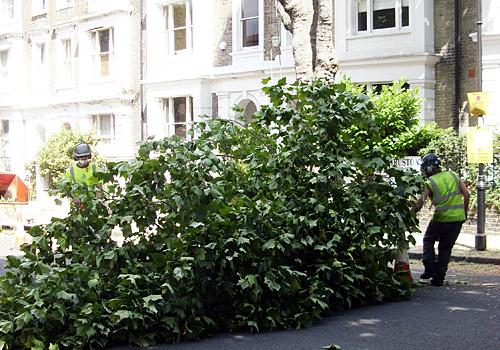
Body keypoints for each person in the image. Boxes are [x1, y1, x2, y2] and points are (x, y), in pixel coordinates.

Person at [413, 153, 470, 286]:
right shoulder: (453, 175)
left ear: (428, 169)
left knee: (428, 240)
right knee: (445, 248)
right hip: (457, 219)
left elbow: (421, 202)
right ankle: (439, 278)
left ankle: (429, 268)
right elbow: (466, 194)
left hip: (441, 218)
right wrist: (464, 213)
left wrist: (410, 214)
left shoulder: (430, 182)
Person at [65, 142, 100, 207]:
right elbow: (66, 189)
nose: (83, 159)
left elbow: (100, 188)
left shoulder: (95, 169)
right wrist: (74, 198)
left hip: (93, 202)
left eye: (85, 157)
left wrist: (97, 201)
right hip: (78, 204)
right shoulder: (70, 171)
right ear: (76, 158)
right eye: (81, 157)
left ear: (89, 156)